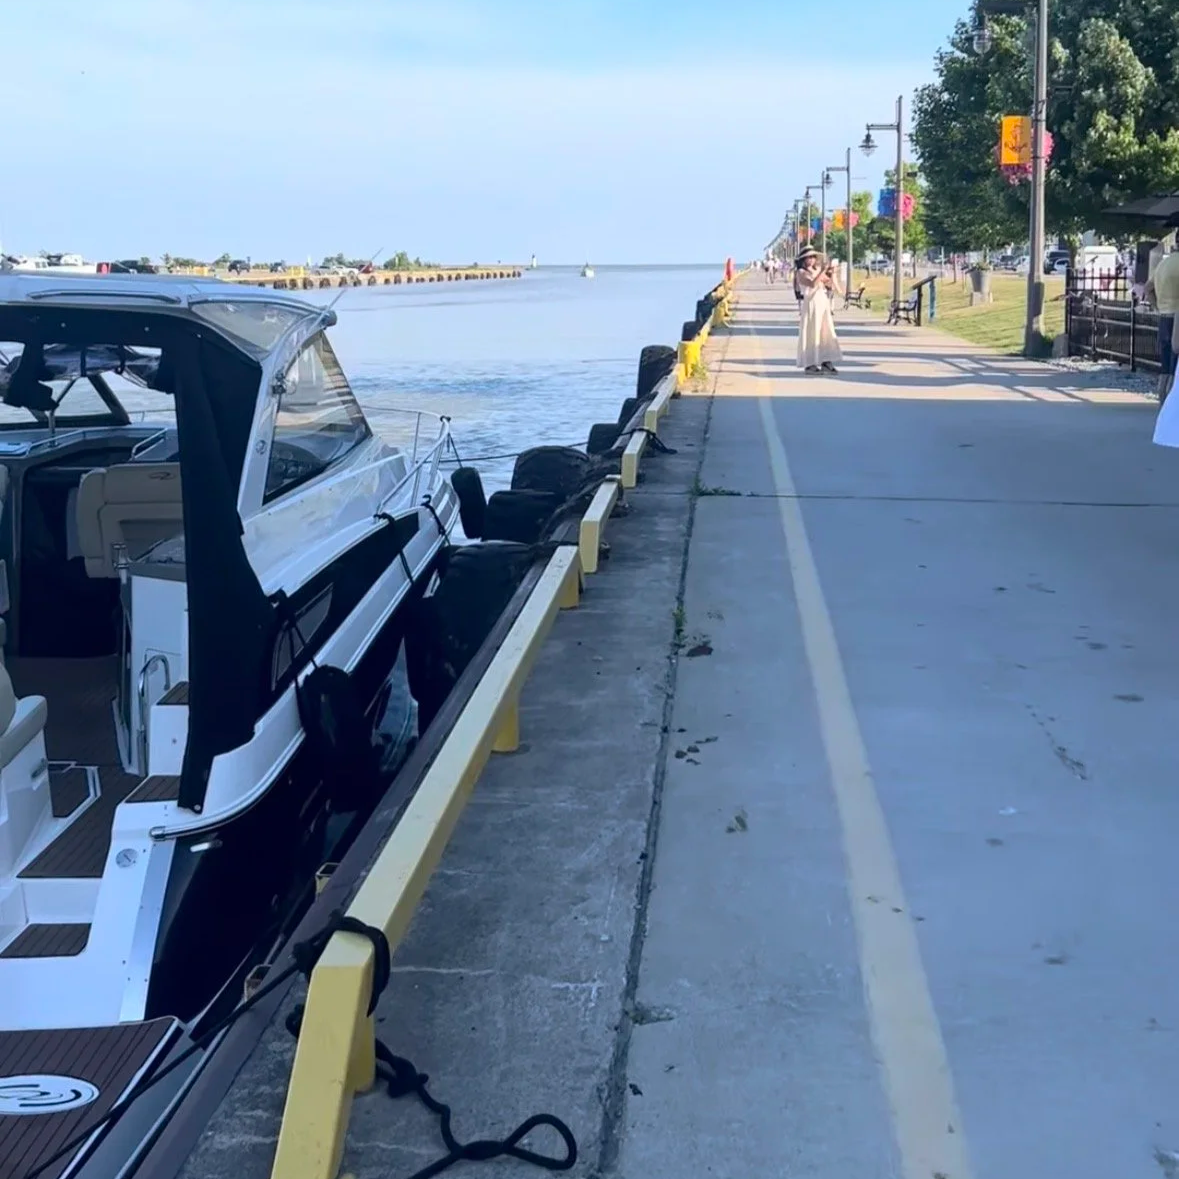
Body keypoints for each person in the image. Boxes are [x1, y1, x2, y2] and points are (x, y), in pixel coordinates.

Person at [795, 247, 842, 374]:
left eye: (813, 257)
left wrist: (832, 274)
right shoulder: (801, 272)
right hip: (811, 304)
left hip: (822, 302)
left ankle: (826, 360)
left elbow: (829, 284)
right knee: (812, 332)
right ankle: (810, 363)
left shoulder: (817, 270)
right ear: (803, 260)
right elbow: (812, 284)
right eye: (808, 258)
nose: (811, 260)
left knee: (825, 332)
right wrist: (822, 271)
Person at [1145, 239, 1179, 400]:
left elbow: (1147, 288)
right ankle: (1173, 400)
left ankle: (1162, 397)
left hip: (1164, 317)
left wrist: (1157, 306)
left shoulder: (1163, 264)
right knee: (1176, 364)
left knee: (1166, 364)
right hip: (1177, 318)